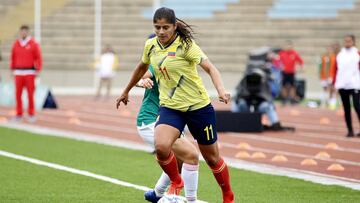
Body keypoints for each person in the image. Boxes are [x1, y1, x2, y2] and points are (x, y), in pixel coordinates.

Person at [116, 7, 234, 203]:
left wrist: (221, 91)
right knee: (162, 146)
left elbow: (210, 68)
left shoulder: (187, 45)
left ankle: (228, 195)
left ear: (175, 26)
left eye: (165, 27)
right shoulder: (151, 45)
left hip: (199, 108)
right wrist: (125, 91)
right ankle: (176, 182)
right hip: (171, 108)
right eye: (157, 27)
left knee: (212, 159)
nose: (161, 32)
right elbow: (141, 67)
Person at [136, 65, 200, 203]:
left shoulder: (185, 69)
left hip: (169, 122)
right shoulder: (161, 63)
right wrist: (142, 81)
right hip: (150, 121)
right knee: (190, 155)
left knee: (180, 158)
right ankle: (177, 195)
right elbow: (141, 76)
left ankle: (159, 193)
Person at [232, 63, 283, 130]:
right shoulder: (244, 81)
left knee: (268, 106)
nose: (253, 80)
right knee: (239, 103)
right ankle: (234, 122)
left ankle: (275, 123)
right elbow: (237, 96)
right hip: (245, 106)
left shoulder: (264, 83)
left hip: (260, 106)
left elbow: (269, 98)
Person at [10, 25, 42, 122]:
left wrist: (38, 69)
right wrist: (12, 69)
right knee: (18, 95)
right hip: (18, 72)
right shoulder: (16, 44)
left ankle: (31, 114)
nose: (23, 33)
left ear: (27, 32)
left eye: (25, 31)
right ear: (20, 32)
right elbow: (13, 57)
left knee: (30, 94)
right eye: (22, 31)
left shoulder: (33, 44)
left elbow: (38, 57)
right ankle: (19, 114)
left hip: (29, 72)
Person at [333, 34, 360, 138]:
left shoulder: (357, 54)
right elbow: (336, 70)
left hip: (355, 84)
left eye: (349, 41)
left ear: (353, 42)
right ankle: (350, 130)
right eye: (345, 41)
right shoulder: (340, 55)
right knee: (346, 109)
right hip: (342, 85)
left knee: (357, 107)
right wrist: (335, 83)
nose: (347, 43)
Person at [279, 40, 304, 105]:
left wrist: (300, 67)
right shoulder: (282, 53)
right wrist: (280, 66)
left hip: (291, 72)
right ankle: (284, 99)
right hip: (284, 72)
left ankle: (292, 99)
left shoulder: (294, 53)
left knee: (292, 86)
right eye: (287, 46)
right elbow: (277, 61)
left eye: (289, 46)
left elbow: (301, 61)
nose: (288, 47)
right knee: (284, 86)